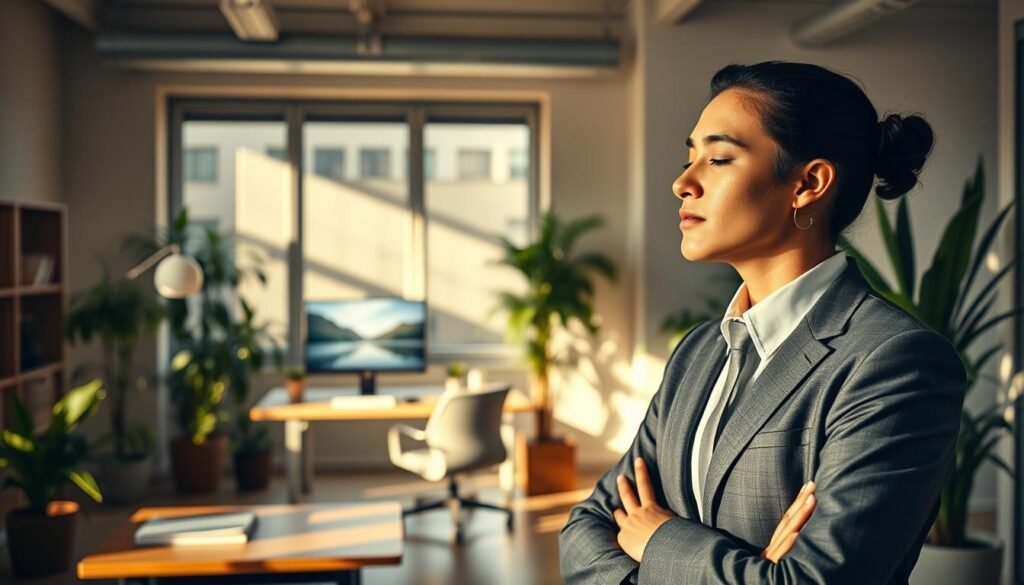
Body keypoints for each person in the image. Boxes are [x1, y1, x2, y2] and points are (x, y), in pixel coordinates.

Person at [559, 61, 968, 584]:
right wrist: (750, 571)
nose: (682, 182)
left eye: (719, 158)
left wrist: (658, 539)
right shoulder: (698, 352)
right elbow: (583, 531)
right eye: (691, 157)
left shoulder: (894, 362)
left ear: (808, 184)